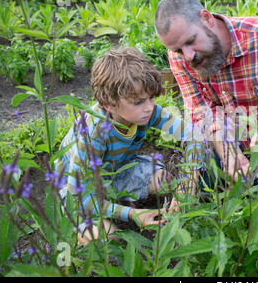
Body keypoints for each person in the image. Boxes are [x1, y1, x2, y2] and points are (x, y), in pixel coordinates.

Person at [56, 46, 202, 245]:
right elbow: (79, 198)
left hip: (114, 171)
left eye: (151, 98)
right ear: (109, 103)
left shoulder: (148, 112)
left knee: (165, 182)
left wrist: (189, 180)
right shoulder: (92, 134)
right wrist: (132, 214)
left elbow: (194, 135)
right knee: (109, 240)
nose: (149, 107)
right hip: (75, 190)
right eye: (139, 102)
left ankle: (115, 200)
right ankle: (76, 229)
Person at [154, 0, 258, 185]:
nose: (188, 56)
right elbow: (200, 111)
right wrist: (226, 150)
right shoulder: (179, 59)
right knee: (206, 184)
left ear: (206, 18)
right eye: (179, 50)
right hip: (224, 141)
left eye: (190, 41)